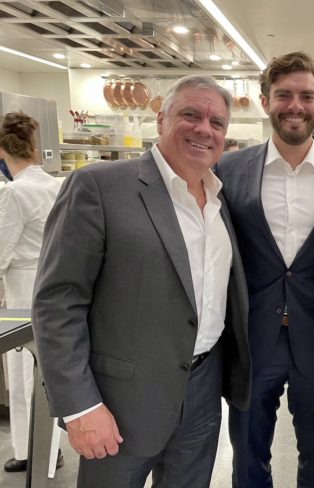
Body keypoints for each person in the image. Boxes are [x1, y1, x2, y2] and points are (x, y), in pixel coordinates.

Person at [31, 75, 251, 488]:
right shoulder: (100, 186)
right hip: (119, 404)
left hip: (203, 393)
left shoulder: (220, 201)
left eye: (217, 122)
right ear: (161, 120)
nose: (205, 129)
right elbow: (58, 301)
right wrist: (80, 407)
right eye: (190, 114)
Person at [217, 51, 314, 487]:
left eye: (306, 96)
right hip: (252, 335)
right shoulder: (227, 171)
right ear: (265, 102)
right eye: (284, 95)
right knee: (247, 448)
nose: (295, 105)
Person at [0, 111, 63, 477]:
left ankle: (27, 450)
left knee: (24, 371)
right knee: (48, 372)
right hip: (54, 283)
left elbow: (1, 251)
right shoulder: (55, 185)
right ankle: (51, 444)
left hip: (24, 287)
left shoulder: (14, 193)